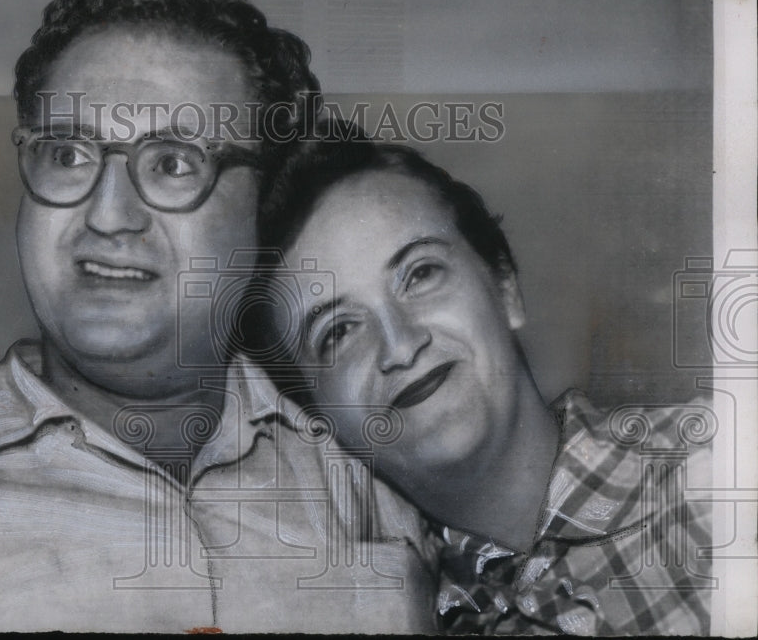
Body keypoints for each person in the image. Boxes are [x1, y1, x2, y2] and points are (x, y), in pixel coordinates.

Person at [0, 0, 433, 632]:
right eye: (68, 154)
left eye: (173, 163)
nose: (108, 215)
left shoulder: (368, 482)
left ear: (263, 215)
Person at [257, 131, 714, 635]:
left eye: (420, 274)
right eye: (338, 331)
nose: (400, 345)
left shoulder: (722, 469)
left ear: (505, 286)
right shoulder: (394, 620)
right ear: (321, 420)